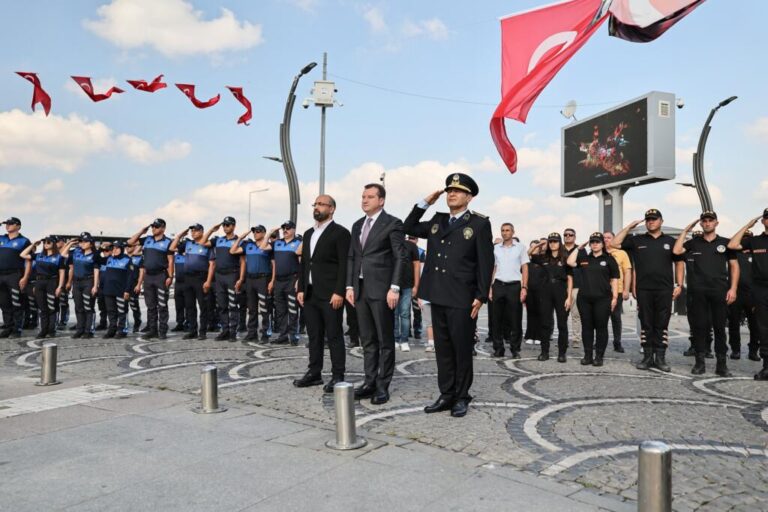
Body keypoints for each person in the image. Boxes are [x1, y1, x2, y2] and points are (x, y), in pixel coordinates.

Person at [404, 173, 493, 418]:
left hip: (462, 297)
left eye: (457, 191)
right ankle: (446, 394)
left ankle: (461, 396)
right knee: (442, 349)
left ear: (469, 197)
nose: (451, 194)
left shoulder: (479, 224)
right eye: (448, 190)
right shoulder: (437, 220)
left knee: (461, 349)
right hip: (436, 292)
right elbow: (408, 227)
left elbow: (485, 262)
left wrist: (481, 295)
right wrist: (425, 202)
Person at [346, 183, 406, 405]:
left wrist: (395, 287)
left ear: (381, 200)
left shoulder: (392, 224)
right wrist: (349, 286)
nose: (364, 200)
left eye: (370, 197)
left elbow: (400, 257)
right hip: (360, 290)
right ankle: (369, 382)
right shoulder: (357, 225)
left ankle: (382, 386)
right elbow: (353, 257)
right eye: (363, 196)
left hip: (382, 290)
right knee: (368, 340)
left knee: (385, 340)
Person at [614, 209, 684, 372]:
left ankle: (660, 358)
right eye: (648, 219)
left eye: (654, 219)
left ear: (661, 221)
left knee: (661, 324)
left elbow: (679, 262)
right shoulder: (637, 240)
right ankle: (647, 357)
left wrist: (679, 284)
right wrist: (629, 227)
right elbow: (614, 244)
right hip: (644, 289)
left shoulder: (671, 241)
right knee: (646, 324)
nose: (650, 221)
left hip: (665, 289)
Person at [294, 195, 351, 393]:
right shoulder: (308, 233)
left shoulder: (341, 233)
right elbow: (305, 263)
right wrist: (301, 288)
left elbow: (345, 264)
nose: (317, 207)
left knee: (334, 335)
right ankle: (314, 373)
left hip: (330, 294)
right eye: (315, 204)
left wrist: (339, 291)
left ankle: (338, 375)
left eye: (321, 204)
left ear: (332, 209)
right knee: (314, 335)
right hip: (310, 294)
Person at [673, 211, 738, 376]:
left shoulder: (726, 243)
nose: (707, 223)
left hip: (719, 291)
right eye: (704, 221)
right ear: (701, 224)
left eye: (710, 221)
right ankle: (699, 363)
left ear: (716, 223)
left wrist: (733, 288)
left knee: (719, 329)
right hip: (698, 292)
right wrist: (687, 228)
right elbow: (676, 250)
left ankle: (721, 365)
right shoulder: (693, 243)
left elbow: (734, 266)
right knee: (699, 328)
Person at [567, 232, 619, 366]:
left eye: (597, 242)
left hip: (603, 299)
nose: (595, 244)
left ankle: (599, 356)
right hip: (584, 299)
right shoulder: (584, 258)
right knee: (587, 328)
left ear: (602, 244)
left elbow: (614, 280)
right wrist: (578, 248)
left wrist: (614, 298)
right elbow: (570, 262)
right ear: (589, 244)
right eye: (592, 242)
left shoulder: (609, 259)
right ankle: (588, 355)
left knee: (601, 328)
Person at [728, 208, 768, 380]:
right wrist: (747, 225)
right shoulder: (755, 241)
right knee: (763, 328)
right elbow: (732, 245)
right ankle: (766, 367)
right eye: (767, 218)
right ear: (763, 221)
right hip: (760, 289)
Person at [127, 219, 174, 339]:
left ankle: (162, 330)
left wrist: (170, 276)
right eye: (153, 227)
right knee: (150, 305)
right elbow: (130, 242)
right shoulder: (147, 239)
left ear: (163, 228)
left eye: (156, 227)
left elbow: (170, 261)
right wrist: (141, 232)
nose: (153, 229)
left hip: (161, 276)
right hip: (148, 276)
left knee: (162, 304)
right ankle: (152, 330)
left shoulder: (168, 242)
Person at [529, 233, 572, 362]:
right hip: (546, 291)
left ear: (560, 243)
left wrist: (569, 297)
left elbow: (570, 278)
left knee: (562, 324)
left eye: (555, 241)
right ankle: (544, 352)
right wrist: (538, 245)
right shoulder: (543, 257)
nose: (553, 244)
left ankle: (562, 353)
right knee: (545, 324)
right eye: (551, 241)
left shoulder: (565, 258)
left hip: (561, 291)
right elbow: (528, 255)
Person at [489, 223, 528, 358]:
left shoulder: (521, 248)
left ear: (513, 232)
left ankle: (515, 349)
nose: (505, 233)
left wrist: (524, 287)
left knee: (515, 319)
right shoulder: (495, 249)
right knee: (496, 319)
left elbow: (525, 268)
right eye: (502, 230)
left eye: (507, 230)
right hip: (498, 285)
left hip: (514, 286)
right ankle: (498, 348)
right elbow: (493, 268)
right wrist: (490, 287)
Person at [201, 217, 243, 342]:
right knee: (222, 305)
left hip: (232, 275)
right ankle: (225, 331)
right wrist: (212, 230)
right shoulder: (218, 240)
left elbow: (242, 261)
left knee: (233, 305)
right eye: (224, 225)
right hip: (219, 276)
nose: (225, 227)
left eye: (228, 225)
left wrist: (240, 279)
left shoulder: (239, 241)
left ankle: (233, 332)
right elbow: (203, 242)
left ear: (234, 226)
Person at [170, 224, 214, 340]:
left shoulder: (207, 245)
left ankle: (202, 332)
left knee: (203, 306)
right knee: (189, 306)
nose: (193, 233)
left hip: (201, 278)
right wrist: (180, 235)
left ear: (202, 232)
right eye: (192, 231)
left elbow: (212, 265)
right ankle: (192, 330)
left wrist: (208, 281)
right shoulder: (187, 244)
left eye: (196, 231)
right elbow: (171, 248)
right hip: (187, 278)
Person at [230, 224, 273, 342]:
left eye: (258, 231)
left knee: (264, 308)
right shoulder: (248, 245)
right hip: (250, 280)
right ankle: (252, 333)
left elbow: (266, 248)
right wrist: (240, 238)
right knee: (252, 308)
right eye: (254, 231)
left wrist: (267, 236)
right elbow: (232, 250)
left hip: (263, 279)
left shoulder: (268, 245)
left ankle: (265, 333)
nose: (255, 233)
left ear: (264, 233)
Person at [262, 221, 302, 345]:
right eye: (284, 228)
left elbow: (301, 262)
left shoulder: (298, 243)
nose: (285, 230)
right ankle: (283, 336)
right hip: (279, 281)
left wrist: (298, 281)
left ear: (294, 229)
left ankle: (294, 336)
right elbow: (263, 247)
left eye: (288, 228)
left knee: (292, 310)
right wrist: (269, 233)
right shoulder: (277, 243)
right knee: (280, 310)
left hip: (291, 280)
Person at [21, 236, 65, 338]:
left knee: (51, 307)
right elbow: (23, 254)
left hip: (52, 282)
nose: (46, 243)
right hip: (39, 282)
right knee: (42, 308)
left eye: (49, 242)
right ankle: (43, 331)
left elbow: (62, 273)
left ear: (53, 244)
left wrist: (60, 287)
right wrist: (33, 244)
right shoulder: (38, 255)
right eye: (44, 242)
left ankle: (51, 330)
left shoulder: (59, 257)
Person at [726, 230, 759, 360]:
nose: (745, 241)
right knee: (734, 323)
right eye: (743, 238)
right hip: (736, 292)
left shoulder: (756, 253)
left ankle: (753, 351)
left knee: (755, 324)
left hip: (753, 294)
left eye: (748, 238)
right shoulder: (733, 253)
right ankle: (735, 350)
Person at [61, 233, 101, 339]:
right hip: (77, 282)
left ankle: (89, 330)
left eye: (84, 241)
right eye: (80, 241)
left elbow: (96, 271)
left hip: (89, 281)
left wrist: (95, 286)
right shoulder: (76, 252)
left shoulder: (95, 255)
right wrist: (70, 243)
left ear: (90, 243)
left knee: (88, 307)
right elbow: (62, 254)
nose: (82, 243)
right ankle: (80, 329)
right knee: (78, 307)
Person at [0, 217, 32, 338]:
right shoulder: (1, 238)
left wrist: (25, 277)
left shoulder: (24, 241)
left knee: (16, 302)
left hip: (14, 275)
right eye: (6, 224)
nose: (7, 226)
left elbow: (29, 261)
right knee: (4, 303)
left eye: (10, 224)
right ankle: (8, 327)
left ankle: (17, 329)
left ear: (18, 226)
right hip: (0, 275)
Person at [603, 231, 632, 353]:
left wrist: (626, 289)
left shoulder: (621, 253)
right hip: (601, 291)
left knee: (616, 318)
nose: (606, 240)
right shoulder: (598, 252)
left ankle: (617, 342)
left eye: (609, 238)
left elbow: (627, 272)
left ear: (614, 239)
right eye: (603, 238)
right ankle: (600, 341)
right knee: (600, 318)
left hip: (618, 290)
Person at [395, 225, 421, 352]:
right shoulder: (390, 245)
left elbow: (417, 266)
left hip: (407, 285)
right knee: (393, 314)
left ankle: (404, 340)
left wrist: (416, 285)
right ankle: (395, 339)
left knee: (404, 313)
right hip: (392, 285)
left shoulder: (411, 246)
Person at [100, 241, 133, 338]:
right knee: (111, 311)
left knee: (122, 311)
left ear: (121, 249)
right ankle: (112, 330)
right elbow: (97, 256)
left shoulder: (127, 260)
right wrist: (102, 247)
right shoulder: (109, 259)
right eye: (112, 248)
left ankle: (122, 330)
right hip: (108, 290)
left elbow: (130, 277)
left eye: (116, 248)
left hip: (120, 291)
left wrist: (127, 290)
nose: (113, 250)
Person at [524, 239, 546, 346]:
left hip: (541, 291)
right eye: (532, 246)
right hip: (529, 291)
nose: (534, 249)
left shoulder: (543, 260)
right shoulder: (526, 262)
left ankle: (538, 336)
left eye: (536, 247)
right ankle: (529, 335)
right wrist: (535, 246)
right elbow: (527, 254)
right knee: (530, 314)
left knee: (540, 313)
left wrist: (539, 247)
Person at [563, 228, 582, 348]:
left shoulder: (581, 250)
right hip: (561, 286)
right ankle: (563, 339)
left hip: (576, 286)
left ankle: (576, 339)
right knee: (562, 315)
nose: (568, 236)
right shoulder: (559, 249)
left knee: (576, 315)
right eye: (566, 235)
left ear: (575, 237)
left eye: (571, 235)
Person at [55, 237, 71, 329]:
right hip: (54, 280)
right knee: (55, 302)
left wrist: (69, 282)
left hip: (64, 280)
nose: (56, 243)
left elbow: (71, 269)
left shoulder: (68, 254)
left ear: (62, 242)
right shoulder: (54, 253)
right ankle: (56, 320)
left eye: (58, 241)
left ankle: (63, 320)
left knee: (63, 302)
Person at [127, 244, 143, 332]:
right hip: (124, 284)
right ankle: (124, 324)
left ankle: (137, 322)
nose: (127, 248)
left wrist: (139, 284)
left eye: (129, 246)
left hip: (134, 284)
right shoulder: (124, 258)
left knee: (134, 305)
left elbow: (141, 273)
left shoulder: (139, 259)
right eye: (126, 246)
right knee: (123, 306)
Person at [171, 249, 187, 332]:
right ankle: (180, 323)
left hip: (187, 282)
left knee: (188, 305)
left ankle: (188, 323)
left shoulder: (189, 256)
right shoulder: (176, 256)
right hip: (178, 283)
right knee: (179, 305)